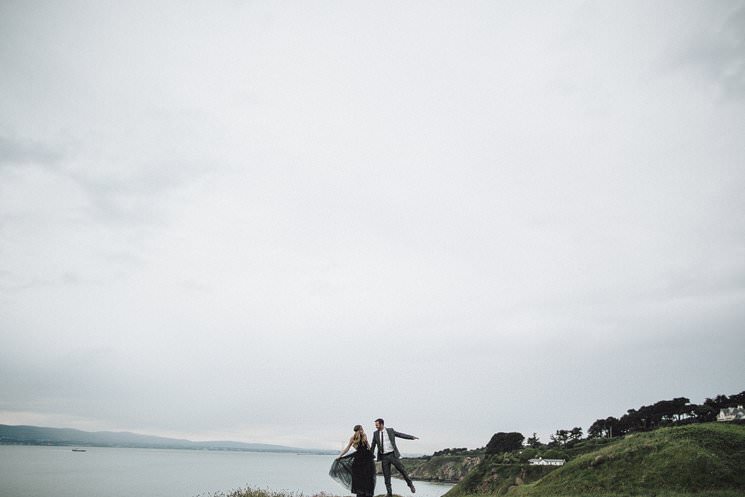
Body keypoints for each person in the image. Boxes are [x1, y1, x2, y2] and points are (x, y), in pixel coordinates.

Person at [369, 418, 418, 496]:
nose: (376, 426)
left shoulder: (390, 430)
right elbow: (373, 445)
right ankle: (389, 493)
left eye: (377, 425)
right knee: (386, 476)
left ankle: (410, 485)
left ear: (381, 424)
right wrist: (369, 456)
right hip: (384, 457)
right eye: (375, 425)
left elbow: (400, 434)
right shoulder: (375, 434)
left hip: (392, 455)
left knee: (402, 470)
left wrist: (411, 437)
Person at [329, 424, 376, 497]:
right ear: (359, 429)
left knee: (367, 478)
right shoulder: (353, 438)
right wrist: (340, 456)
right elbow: (347, 448)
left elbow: (368, 447)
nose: (362, 430)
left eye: (362, 429)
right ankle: (361, 494)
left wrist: (370, 450)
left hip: (365, 460)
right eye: (361, 429)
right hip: (360, 460)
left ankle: (366, 494)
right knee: (360, 478)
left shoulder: (364, 436)